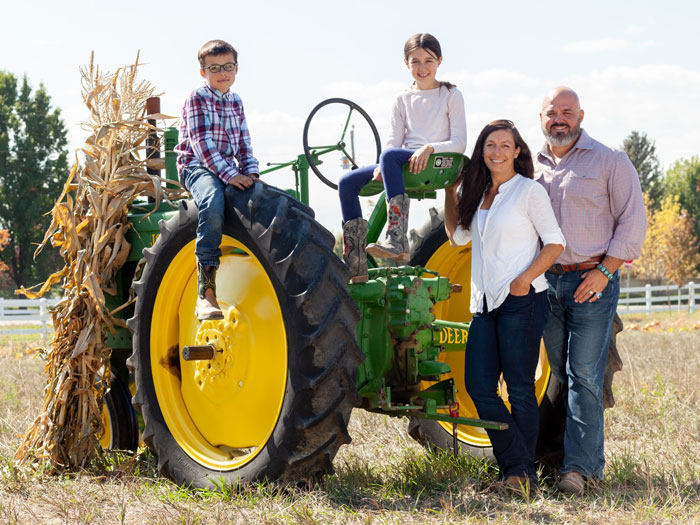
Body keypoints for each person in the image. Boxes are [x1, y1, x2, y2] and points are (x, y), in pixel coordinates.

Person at [534, 86, 647, 495]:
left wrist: (604, 271)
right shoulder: (530, 167)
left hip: (591, 282)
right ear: (541, 117)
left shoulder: (610, 161)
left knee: (584, 376)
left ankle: (580, 471)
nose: (559, 119)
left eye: (567, 111)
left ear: (581, 115)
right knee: (552, 377)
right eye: (552, 112)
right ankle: (548, 460)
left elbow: (633, 223)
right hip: (544, 284)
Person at [444, 120, 565, 492]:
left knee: (520, 390)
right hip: (483, 303)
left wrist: (523, 280)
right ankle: (519, 470)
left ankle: (517, 475)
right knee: (478, 386)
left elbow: (555, 243)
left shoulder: (529, 192)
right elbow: (456, 236)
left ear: (517, 151)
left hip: (522, 301)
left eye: (504, 145)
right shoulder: (479, 195)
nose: (497, 151)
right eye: (490, 145)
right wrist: (450, 191)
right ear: (482, 151)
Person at [338, 33, 466, 282]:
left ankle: (397, 239)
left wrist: (430, 148)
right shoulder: (402, 99)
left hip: (436, 162)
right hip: (402, 160)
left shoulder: (450, 95)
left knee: (390, 156)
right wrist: (383, 166)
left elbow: (459, 142)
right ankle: (356, 264)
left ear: (440, 61)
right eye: (415, 61)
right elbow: (393, 143)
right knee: (347, 182)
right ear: (406, 63)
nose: (422, 68)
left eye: (428, 61)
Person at [175, 39, 260, 320]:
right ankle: (206, 290)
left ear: (236, 69)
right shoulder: (197, 98)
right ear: (203, 72)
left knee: (261, 197)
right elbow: (201, 144)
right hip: (197, 167)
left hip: (228, 167)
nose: (222, 72)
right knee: (212, 200)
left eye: (227, 66)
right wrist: (231, 175)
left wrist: (251, 173)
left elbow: (245, 144)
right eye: (214, 68)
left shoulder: (236, 101)